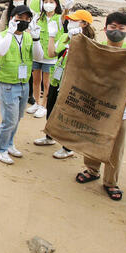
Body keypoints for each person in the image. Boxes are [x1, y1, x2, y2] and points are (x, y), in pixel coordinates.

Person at [75, 11, 126, 201]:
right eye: (113, 27)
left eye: (121, 28)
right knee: (93, 137)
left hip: (121, 108)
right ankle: (92, 169)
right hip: (97, 104)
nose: (116, 31)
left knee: (116, 145)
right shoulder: (97, 49)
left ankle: (111, 181)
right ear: (105, 28)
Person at [33, 9, 95, 159]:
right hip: (57, 78)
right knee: (51, 108)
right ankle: (49, 137)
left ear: (85, 23)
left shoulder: (90, 43)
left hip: (73, 83)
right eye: (70, 20)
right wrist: (53, 36)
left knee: (67, 115)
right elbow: (51, 53)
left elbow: (87, 61)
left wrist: (78, 42)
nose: (70, 22)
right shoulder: (66, 36)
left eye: (75, 20)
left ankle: (67, 148)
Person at [0, 5, 44, 164]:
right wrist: (10, 32)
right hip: (7, 83)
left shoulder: (28, 37)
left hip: (23, 84)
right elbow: (0, 51)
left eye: (26, 19)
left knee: (18, 117)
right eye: (19, 18)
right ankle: (0, 149)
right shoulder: (1, 35)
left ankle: (9, 144)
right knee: (9, 119)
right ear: (12, 18)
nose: (23, 22)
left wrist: (36, 39)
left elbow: (38, 56)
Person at [26, 0, 63, 118]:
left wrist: (67, 8)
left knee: (47, 83)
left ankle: (44, 106)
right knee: (36, 80)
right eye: (46, 1)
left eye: (51, 1)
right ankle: (36, 102)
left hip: (50, 57)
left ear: (56, 4)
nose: (48, 4)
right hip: (37, 54)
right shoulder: (38, 17)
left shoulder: (58, 18)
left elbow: (65, 18)